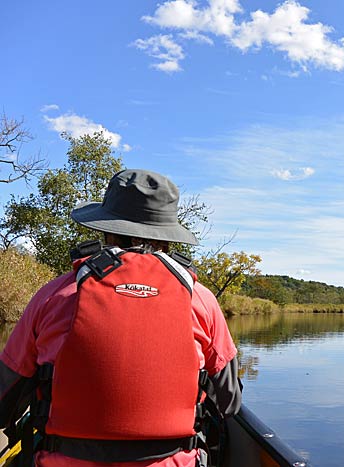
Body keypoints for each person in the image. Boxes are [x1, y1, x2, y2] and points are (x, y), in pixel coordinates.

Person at [0, 169, 241, 467]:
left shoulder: (54, 294)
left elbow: (6, 396)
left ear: (107, 230)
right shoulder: (202, 300)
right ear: (167, 236)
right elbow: (229, 402)